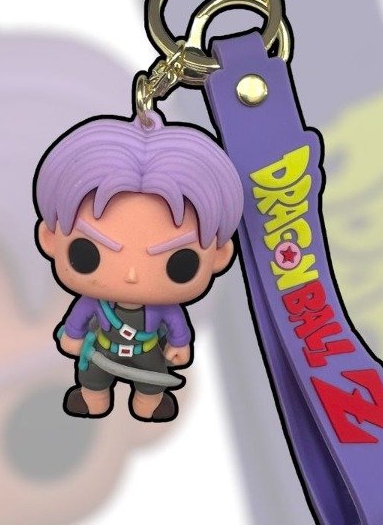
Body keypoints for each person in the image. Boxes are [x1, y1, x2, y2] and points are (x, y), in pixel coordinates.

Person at [34, 111, 244, 421]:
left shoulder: (164, 308)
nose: (132, 275)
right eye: (87, 253)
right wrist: (74, 335)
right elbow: (79, 316)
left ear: (219, 256)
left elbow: (176, 324)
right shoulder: (95, 302)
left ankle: (149, 405)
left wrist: (180, 344)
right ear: (50, 239)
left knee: (151, 384)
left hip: (147, 353)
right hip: (102, 348)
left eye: (179, 263)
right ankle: (93, 400)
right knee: (92, 378)